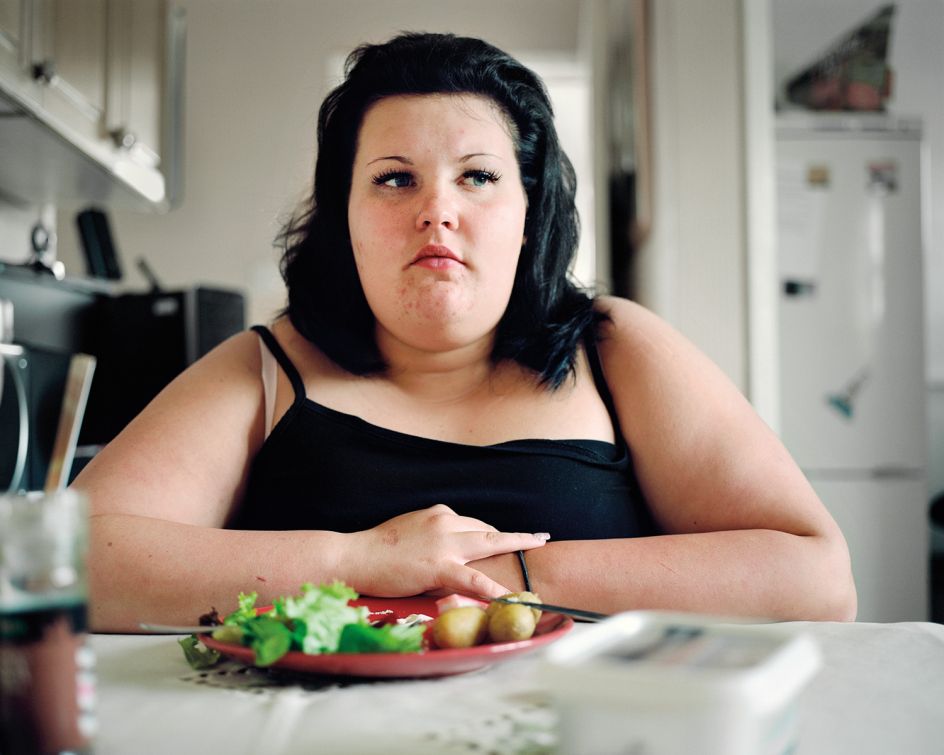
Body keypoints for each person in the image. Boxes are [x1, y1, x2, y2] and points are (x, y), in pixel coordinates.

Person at [74, 32, 856, 630]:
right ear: (343, 216)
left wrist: (494, 573)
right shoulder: (266, 367)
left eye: (477, 176)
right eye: (393, 178)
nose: (436, 210)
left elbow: (816, 578)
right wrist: (356, 560)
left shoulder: (614, 347)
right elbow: (63, 559)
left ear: (527, 213)